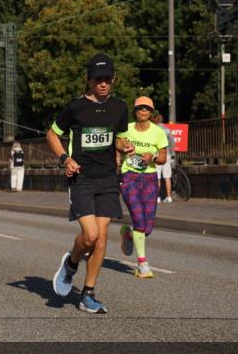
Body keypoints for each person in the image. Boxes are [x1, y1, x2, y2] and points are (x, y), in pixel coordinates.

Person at [47, 53, 133, 314]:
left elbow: (118, 138)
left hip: (107, 177)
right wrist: (65, 158)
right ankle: (71, 263)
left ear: (114, 78)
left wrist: (124, 146)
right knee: (90, 236)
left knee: (102, 238)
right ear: (89, 80)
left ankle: (87, 294)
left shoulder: (119, 107)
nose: (103, 83)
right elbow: (52, 134)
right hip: (81, 177)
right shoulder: (75, 107)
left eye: (107, 78)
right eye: (98, 79)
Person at [118, 96, 168, 278]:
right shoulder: (127, 128)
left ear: (151, 112)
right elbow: (117, 143)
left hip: (149, 178)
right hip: (129, 176)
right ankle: (142, 264)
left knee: (147, 227)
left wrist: (152, 157)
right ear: (135, 110)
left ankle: (129, 234)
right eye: (141, 108)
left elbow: (163, 157)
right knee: (139, 217)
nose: (144, 111)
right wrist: (124, 148)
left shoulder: (158, 132)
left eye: (147, 108)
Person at [153, 112, 176, 202]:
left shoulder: (154, 130)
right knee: (167, 176)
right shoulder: (167, 129)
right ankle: (169, 197)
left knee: (157, 177)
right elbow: (172, 142)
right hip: (167, 155)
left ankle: (157, 197)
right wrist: (172, 153)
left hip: (157, 155)